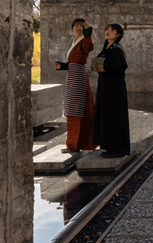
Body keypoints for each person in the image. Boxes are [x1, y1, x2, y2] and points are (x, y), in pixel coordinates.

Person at [54, 18, 94, 152]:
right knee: (74, 109)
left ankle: (73, 145)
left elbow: (88, 48)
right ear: (72, 29)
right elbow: (74, 61)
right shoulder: (74, 43)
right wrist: (62, 66)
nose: (78, 28)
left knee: (74, 110)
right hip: (72, 76)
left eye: (81, 26)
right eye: (76, 26)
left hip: (77, 78)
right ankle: (79, 143)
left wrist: (88, 34)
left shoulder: (84, 40)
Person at [90, 23, 130, 158]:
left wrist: (98, 63)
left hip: (114, 89)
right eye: (107, 29)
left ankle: (117, 148)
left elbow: (118, 66)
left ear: (118, 35)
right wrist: (97, 62)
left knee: (114, 116)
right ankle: (109, 146)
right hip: (106, 88)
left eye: (112, 30)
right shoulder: (107, 47)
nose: (108, 31)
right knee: (107, 116)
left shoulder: (116, 49)